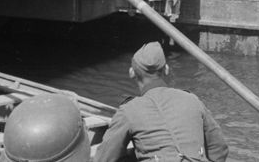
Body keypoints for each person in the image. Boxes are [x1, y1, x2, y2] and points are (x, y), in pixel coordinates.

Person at [94, 42, 229, 162]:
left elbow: (104, 158)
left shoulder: (128, 111)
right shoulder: (192, 100)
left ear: (132, 73)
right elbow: (219, 149)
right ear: (167, 70)